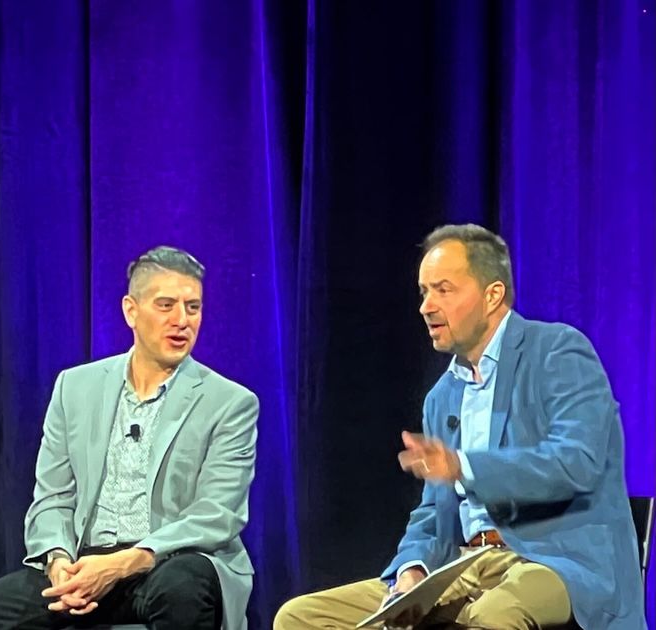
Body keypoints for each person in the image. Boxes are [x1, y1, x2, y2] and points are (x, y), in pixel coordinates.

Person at [274, 224, 644, 629]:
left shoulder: (556, 352)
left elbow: (576, 462)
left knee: (493, 615)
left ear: (492, 295)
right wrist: (411, 570)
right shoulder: (442, 396)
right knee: (300, 618)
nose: (426, 306)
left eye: (443, 290)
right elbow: (434, 512)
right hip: (464, 565)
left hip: (554, 562)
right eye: (423, 292)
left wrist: (463, 466)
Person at [0, 246, 259, 630]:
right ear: (130, 311)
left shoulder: (229, 402)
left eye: (193, 308)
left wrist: (122, 564)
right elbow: (52, 498)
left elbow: (217, 515)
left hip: (166, 563)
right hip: (85, 563)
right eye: (166, 305)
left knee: (181, 589)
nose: (181, 320)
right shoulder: (74, 387)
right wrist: (59, 563)